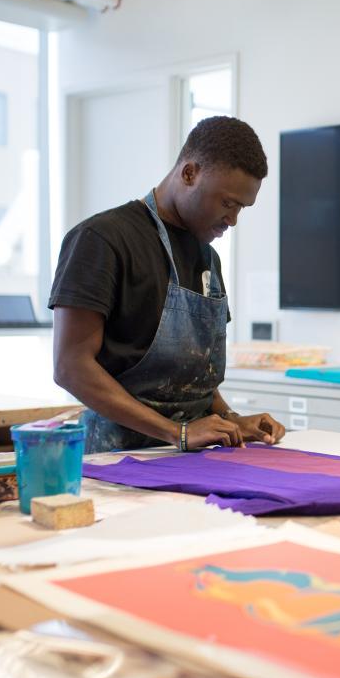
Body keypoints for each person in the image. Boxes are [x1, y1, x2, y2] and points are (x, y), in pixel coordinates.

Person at [49, 116, 285, 454]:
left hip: (186, 456)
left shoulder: (209, 260)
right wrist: (177, 433)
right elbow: (70, 367)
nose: (233, 220)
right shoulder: (101, 240)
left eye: (241, 208)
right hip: (115, 461)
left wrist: (232, 420)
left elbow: (193, 379)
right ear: (189, 173)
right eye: (228, 203)